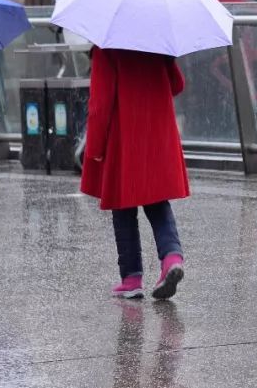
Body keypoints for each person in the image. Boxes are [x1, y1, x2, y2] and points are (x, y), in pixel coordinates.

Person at [81, 47, 190, 300]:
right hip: (155, 129)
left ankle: (131, 278)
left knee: (122, 206)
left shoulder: (105, 48)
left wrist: (94, 147)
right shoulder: (155, 42)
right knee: (157, 200)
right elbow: (176, 85)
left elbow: (100, 102)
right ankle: (171, 257)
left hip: (124, 135)